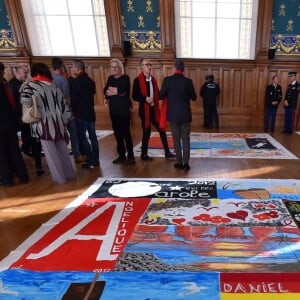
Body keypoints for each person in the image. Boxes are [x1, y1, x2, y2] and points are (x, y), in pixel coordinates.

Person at [20, 62, 76, 184]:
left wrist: (25, 83)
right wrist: (65, 122)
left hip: (43, 125)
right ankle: (69, 174)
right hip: (59, 123)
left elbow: (25, 102)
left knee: (50, 153)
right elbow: (65, 107)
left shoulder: (30, 86)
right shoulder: (54, 87)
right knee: (63, 151)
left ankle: (59, 178)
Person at [132, 58, 174, 161]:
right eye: (147, 65)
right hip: (145, 111)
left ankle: (167, 152)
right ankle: (143, 154)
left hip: (154, 110)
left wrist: (165, 94)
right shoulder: (137, 80)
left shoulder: (153, 80)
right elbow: (134, 96)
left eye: (150, 64)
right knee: (147, 132)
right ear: (142, 67)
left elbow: (157, 94)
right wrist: (145, 99)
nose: (149, 67)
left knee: (161, 129)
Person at [159, 59, 197, 171]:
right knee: (186, 139)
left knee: (176, 139)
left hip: (172, 115)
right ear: (183, 69)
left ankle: (179, 163)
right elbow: (194, 97)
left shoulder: (167, 80)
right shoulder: (188, 82)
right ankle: (186, 163)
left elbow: (160, 96)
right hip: (185, 115)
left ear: (174, 68)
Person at [0, 62, 29, 186]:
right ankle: (23, 176)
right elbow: (12, 103)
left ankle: (8, 180)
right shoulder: (5, 84)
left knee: (2, 153)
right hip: (10, 122)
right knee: (14, 150)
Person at [51, 57, 83, 163]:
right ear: (61, 66)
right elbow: (67, 98)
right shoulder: (63, 80)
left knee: (60, 135)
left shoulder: (49, 79)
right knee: (73, 133)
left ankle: (61, 157)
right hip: (66, 111)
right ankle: (77, 155)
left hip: (54, 112)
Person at [104, 58, 135, 164]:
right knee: (117, 134)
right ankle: (121, 155)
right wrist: (116, 92)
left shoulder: (125, 78)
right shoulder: (110, 78)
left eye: (116, 67)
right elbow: (105, 91)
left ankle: (131, 156)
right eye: (112, 67)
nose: (114, 69)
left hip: (124, 111)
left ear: (120, 68)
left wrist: (113, 91)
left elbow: (122, 90)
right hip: (113, 111)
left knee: (126, 134)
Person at [70, 59, 99, 169]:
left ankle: (90, 160)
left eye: (73, 67)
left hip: (81, 115)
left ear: (78, 69)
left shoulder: (76, 82)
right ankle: (96, 159)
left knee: (82, 137)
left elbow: (74, 100)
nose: (72, 69)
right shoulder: (90, 81)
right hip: (91, 113)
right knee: (93, 137)